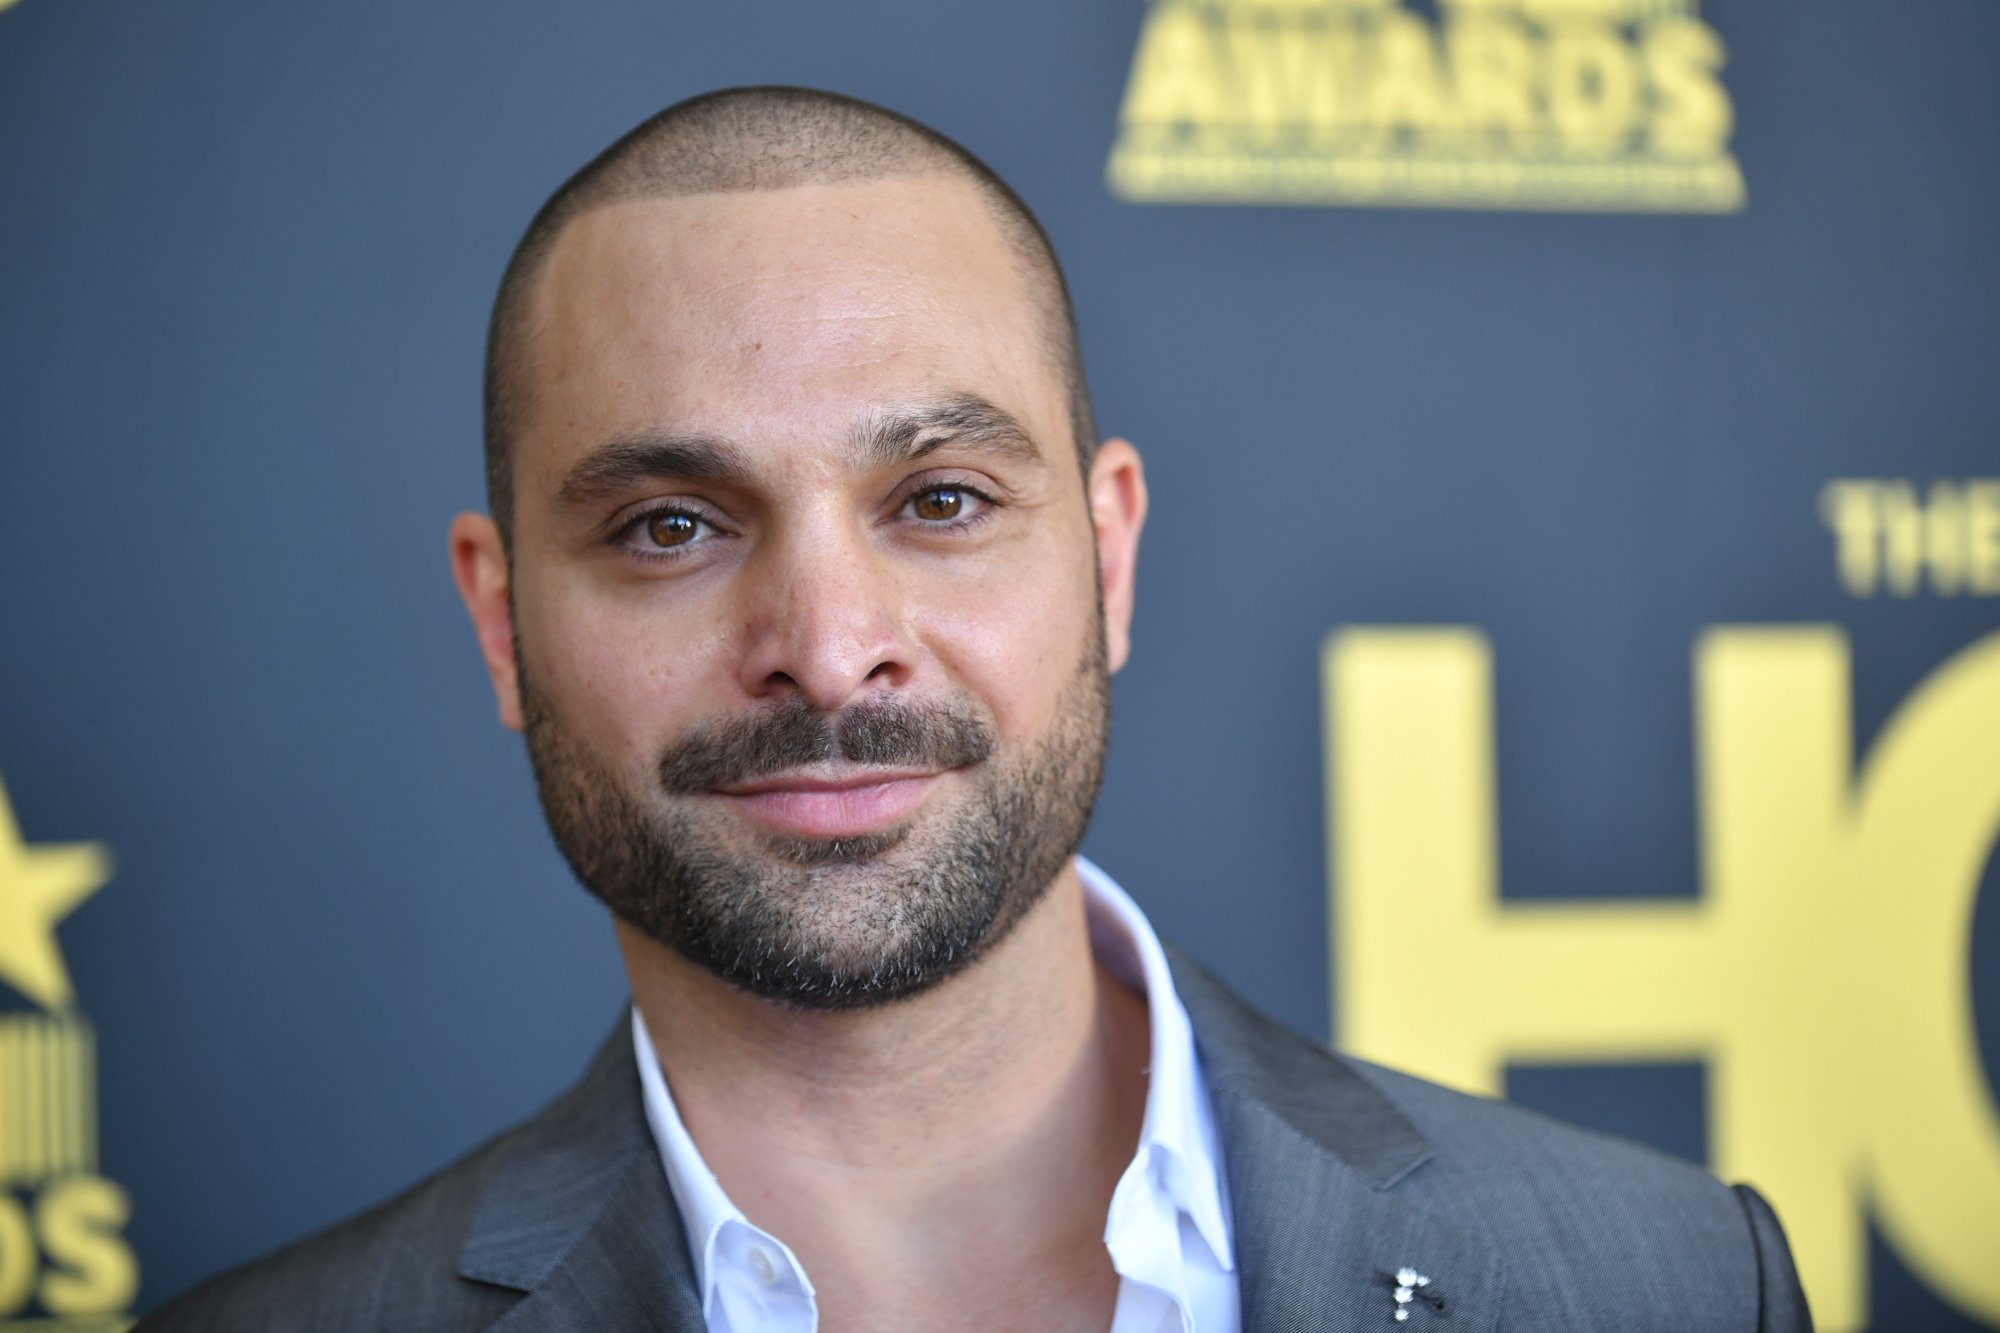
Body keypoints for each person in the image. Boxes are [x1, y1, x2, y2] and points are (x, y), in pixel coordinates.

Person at [138, 86, 1811, 1332]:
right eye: (670, 526)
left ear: (1109, 552)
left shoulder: (1668, 1283)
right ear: (503, 622)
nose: (827, 643)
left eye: (939, 500)